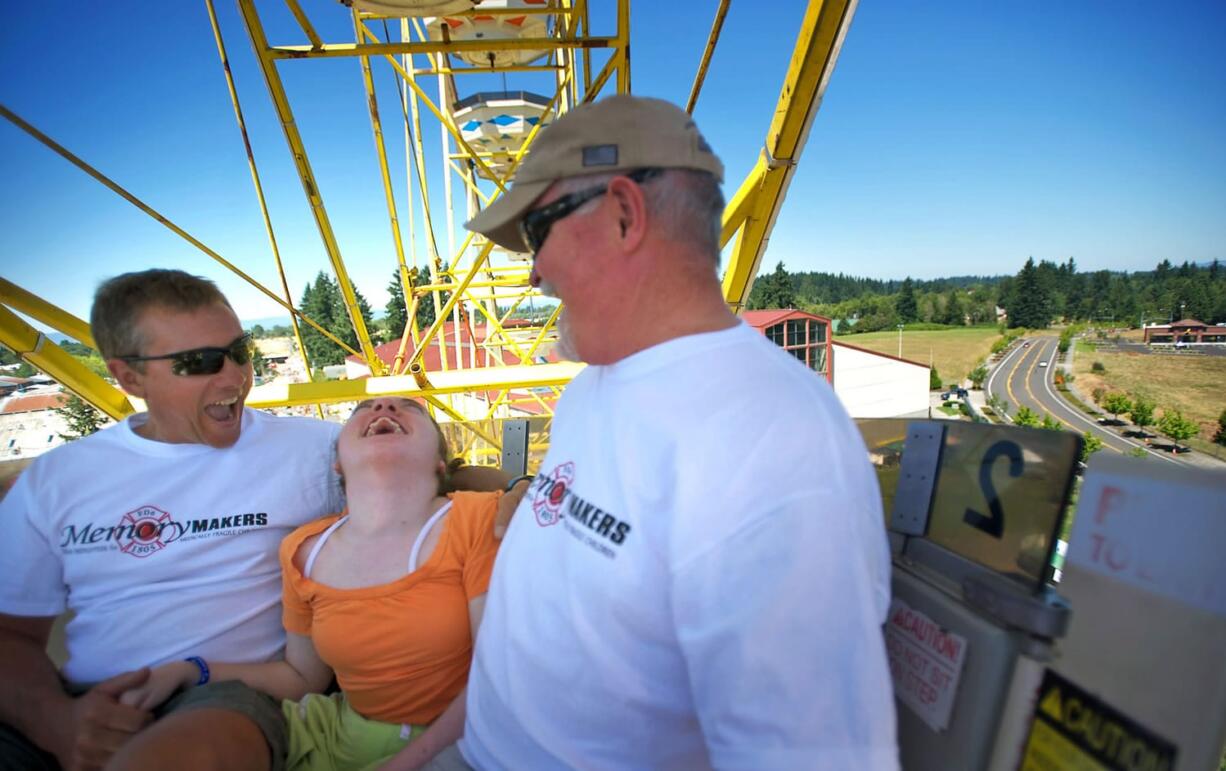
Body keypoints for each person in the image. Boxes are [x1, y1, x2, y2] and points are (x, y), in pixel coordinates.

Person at [452, 95, 899, 769]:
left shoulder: (777, 446)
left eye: (536, 233)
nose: (534, 273)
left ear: (626, 213)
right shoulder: (592, 389)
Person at [0, 270, 511, 771]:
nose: (234, 377)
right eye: (198, 362)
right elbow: (10, 635)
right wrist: (58, 724)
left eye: (240, 352)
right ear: (129, 376)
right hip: (73, 700)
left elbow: (430, 472)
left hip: (223, 701)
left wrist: (520, 490)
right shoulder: (54, 479)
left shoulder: (311, 448)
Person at [118, 396, 504, 771]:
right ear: (337, 463)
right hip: (332, 736)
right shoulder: (304, 552)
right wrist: (190, 671)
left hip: (452, 740)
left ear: (440, 461)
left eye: (412, 409)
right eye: (363, 409)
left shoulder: (478, 518)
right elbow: (301, 677)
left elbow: (497, 675)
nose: (383, 408)